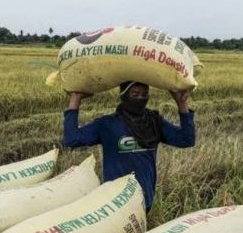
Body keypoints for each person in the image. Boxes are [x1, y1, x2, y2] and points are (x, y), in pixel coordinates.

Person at [63, 81, 196, 213]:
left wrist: (181, 103)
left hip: (144, 200)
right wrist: (75, 99)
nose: (140, 99)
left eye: (144, 94)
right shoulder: (108, 124)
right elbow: (72, 139)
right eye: (135, 94)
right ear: (124, 95)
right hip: (114, 202)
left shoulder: (154, 123)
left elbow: (186, 139)